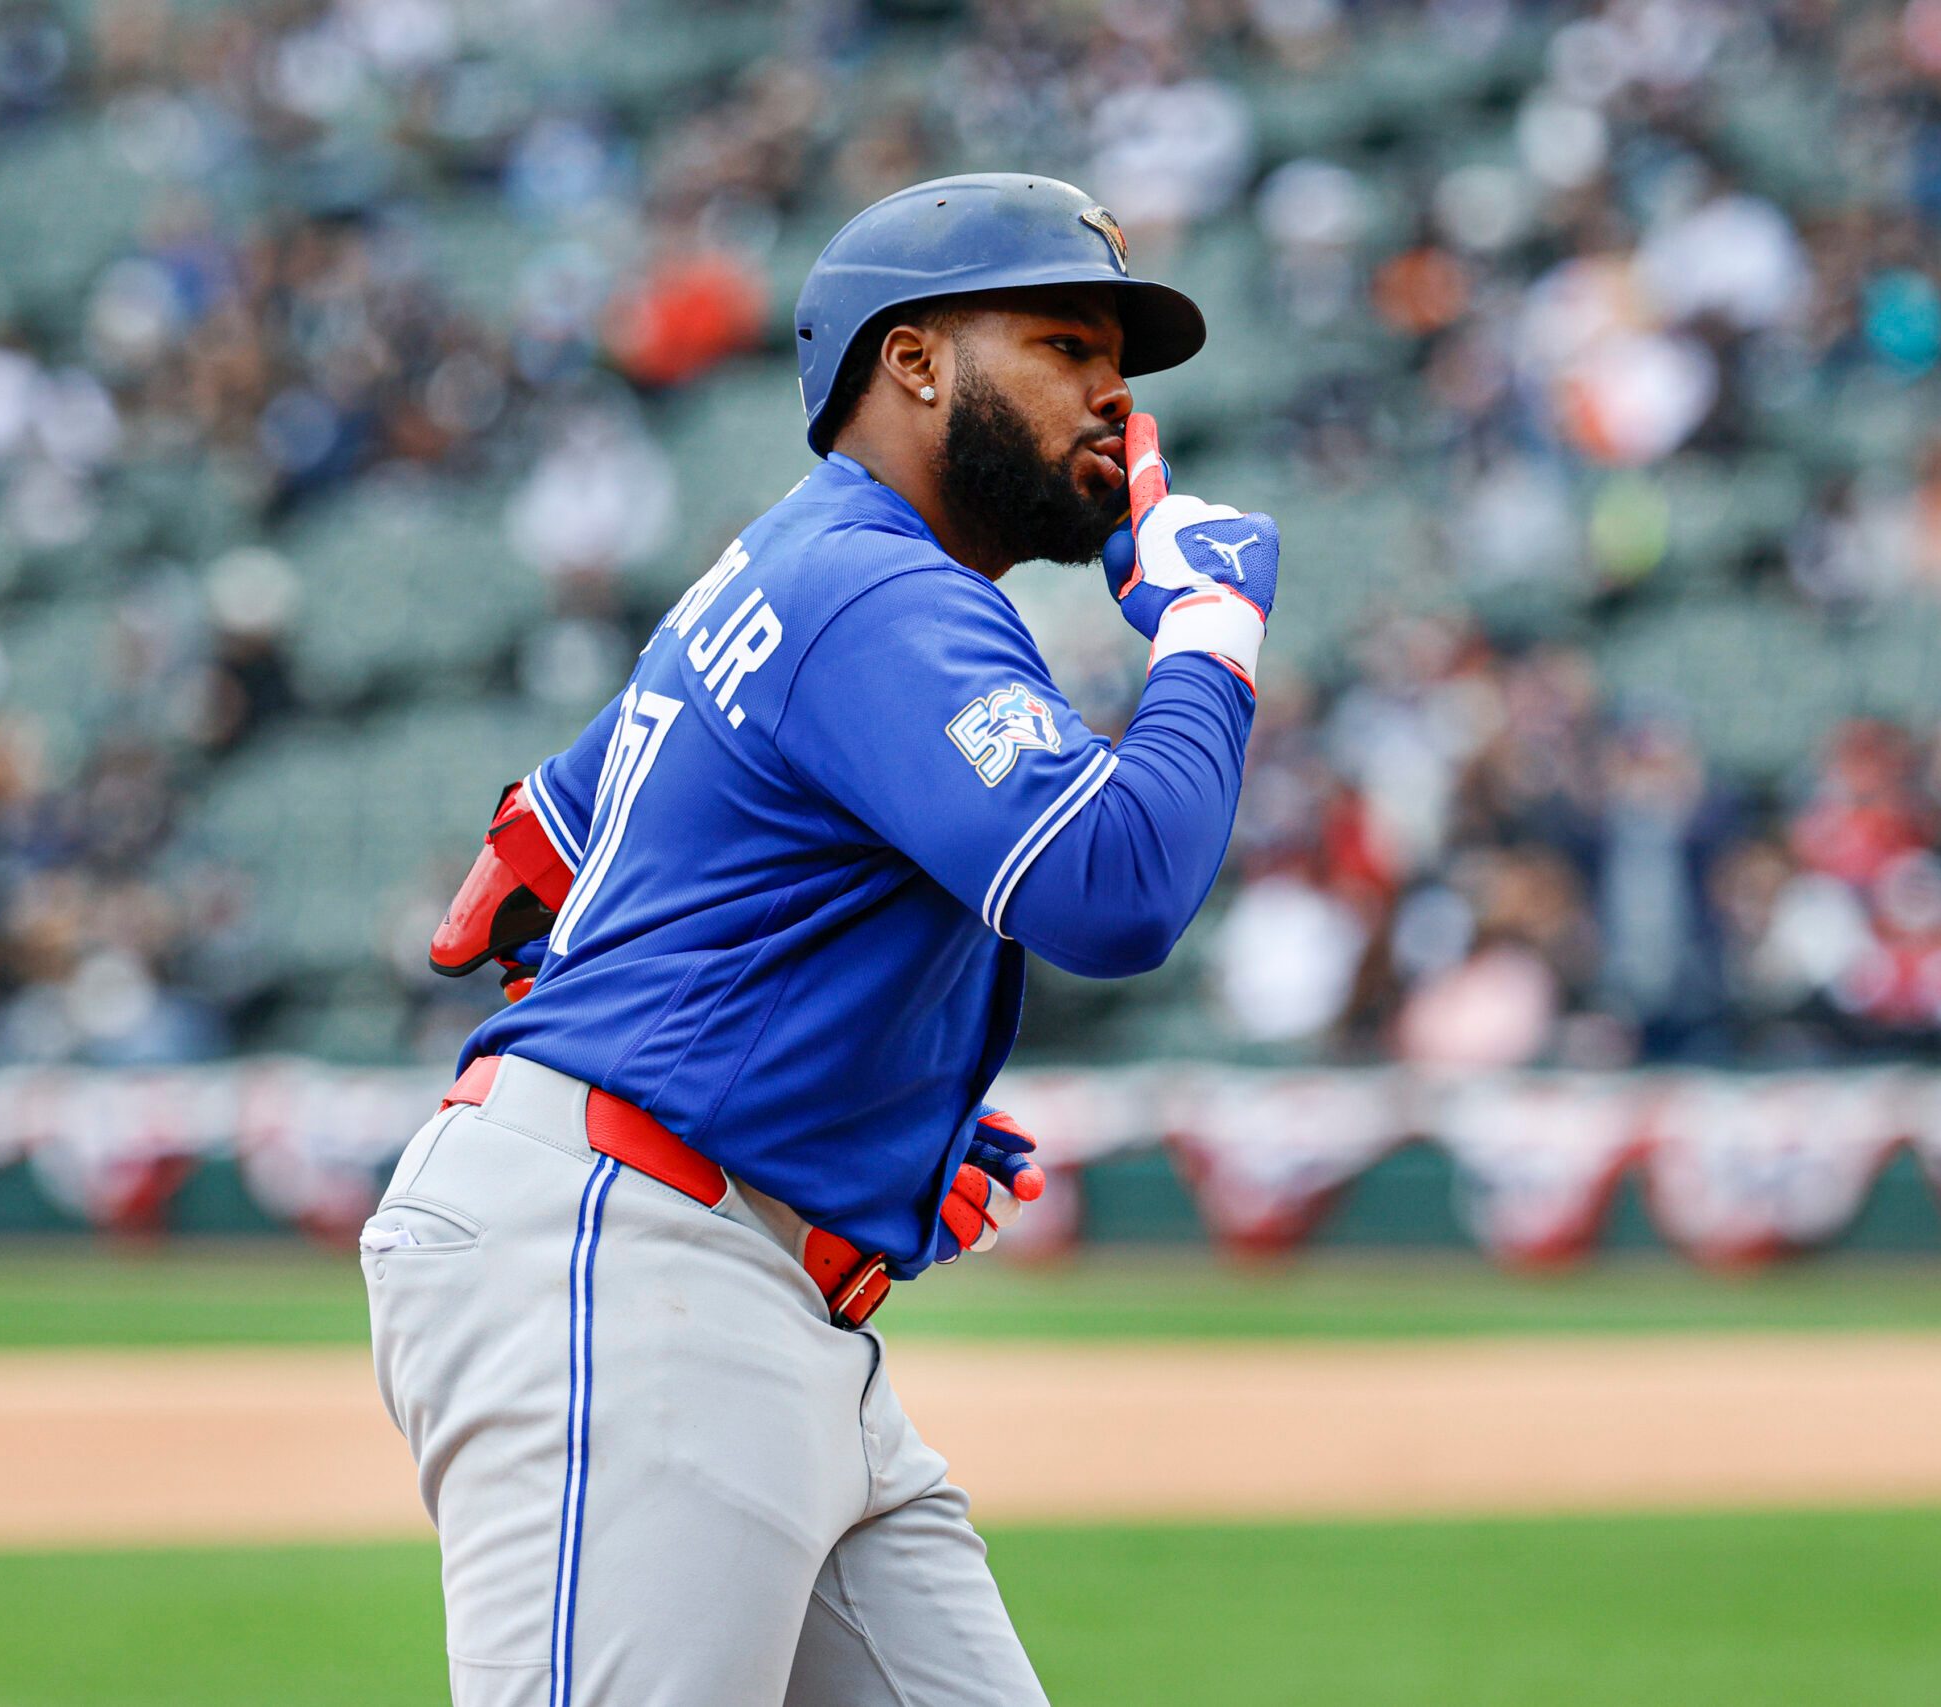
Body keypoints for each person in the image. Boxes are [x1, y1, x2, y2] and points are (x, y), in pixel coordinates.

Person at [362, 173, 1282, 1707]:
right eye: (1063, 341)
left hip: (743, 1282)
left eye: (1121, 359)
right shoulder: (874, 590)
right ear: (911, 360)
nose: (1113, 391)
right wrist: (1207, 638)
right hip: (640, 1265)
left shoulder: (797, 561)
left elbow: (546, 858)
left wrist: (865, 1091)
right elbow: (1114, 895)